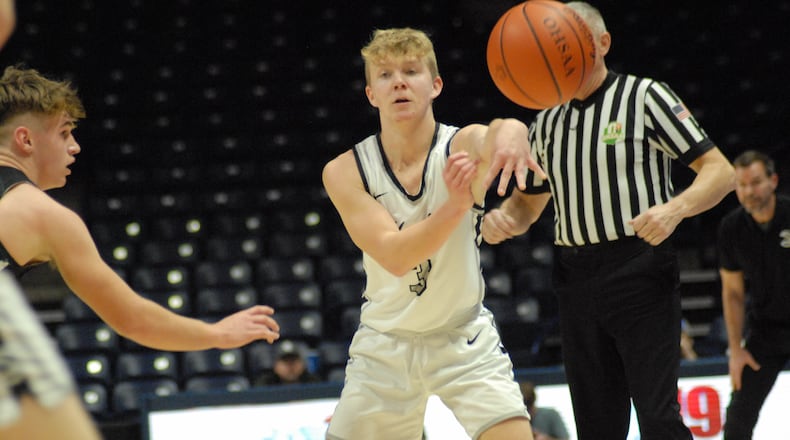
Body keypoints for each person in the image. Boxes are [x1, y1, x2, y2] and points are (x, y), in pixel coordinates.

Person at [481, 3, 735, 439]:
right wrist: (505, 218)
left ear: (602, 43)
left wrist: (675, 208)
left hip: (639, 266)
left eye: (573, 39)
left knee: (657, 416)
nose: (562, 50)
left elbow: (720, 172)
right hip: (574, 276)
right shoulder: (545, 122)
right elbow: (529, 203)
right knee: (597, 424)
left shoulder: (646, 96)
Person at [0, 65, 281, 439]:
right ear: (25, 139)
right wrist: (215, 334)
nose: (75, 147)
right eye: (64, 133)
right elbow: (133, 319)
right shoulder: (42, 215)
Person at [322, 27, 544, 440]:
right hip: (386, 343)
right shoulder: (344, 170)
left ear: (435, 85)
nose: (400, 81)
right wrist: (457, 206)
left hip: (463, 334)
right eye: (385, 75)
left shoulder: (459, 146)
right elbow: (395, 256)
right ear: (371, 93)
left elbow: (490, 135)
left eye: (411, 70)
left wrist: (512, 127)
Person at [718, 150, 790, 439]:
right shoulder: (731, 228)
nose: (750, 191)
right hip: (765, 330)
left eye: (756, 182)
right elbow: (733, 292)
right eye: (742, 184)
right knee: (737, 418)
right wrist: (735, 349)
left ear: (773, 181)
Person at [254, 343, 322, 386]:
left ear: (302, 364)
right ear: (276, 366)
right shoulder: (266, 384)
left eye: (293, 361)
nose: (290, 366)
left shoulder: (313, 382)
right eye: (285, 362)